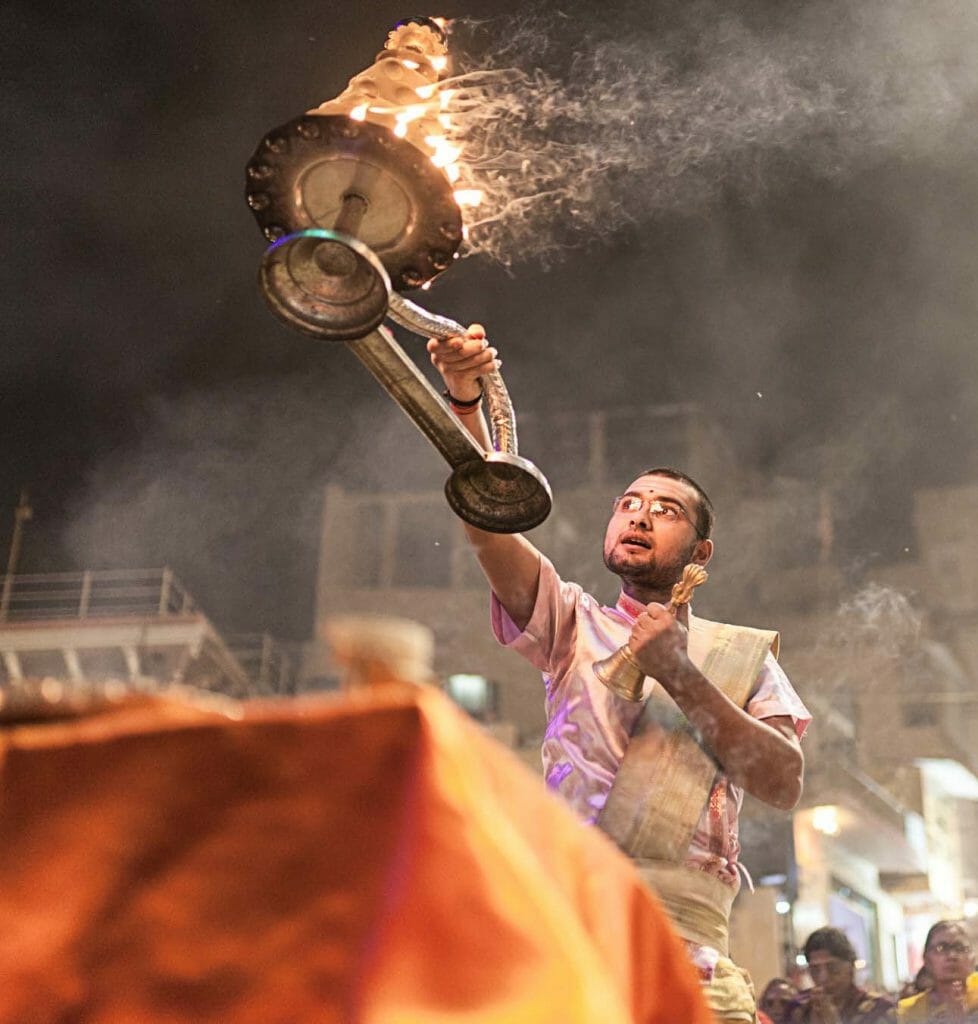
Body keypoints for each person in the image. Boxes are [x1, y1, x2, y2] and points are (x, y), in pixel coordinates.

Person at [428, 325, 811, 1023]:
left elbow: (783, 782)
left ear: (700, 550)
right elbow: (487, 522)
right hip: (574, 936)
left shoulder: (744, 654)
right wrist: (463, 402)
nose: (639, 516)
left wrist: (682, 677)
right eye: (628, 504)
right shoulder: (572, 624)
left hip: (692, 959)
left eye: (664, 511)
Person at [785, 927, 895, 1023]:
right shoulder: (798, 1008)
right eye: (815, 970)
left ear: (851, 967)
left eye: (833, 968)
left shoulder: (879, 1009)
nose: (823, 977)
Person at [898, 920, 978, 1021]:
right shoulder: (909, 1011)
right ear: (926, 959)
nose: (951, 956)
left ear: (973, 958)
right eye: (941, 948)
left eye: (959, 948)